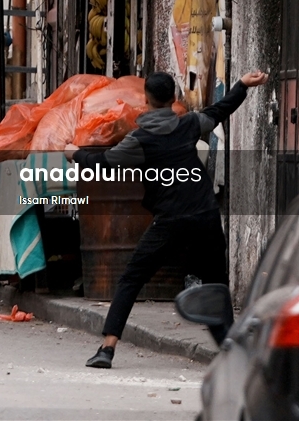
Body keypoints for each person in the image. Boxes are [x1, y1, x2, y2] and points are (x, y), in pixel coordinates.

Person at [64, 69, 269, 369]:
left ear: (146, 101)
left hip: (170, 221)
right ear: (174, 99)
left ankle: (107, 348)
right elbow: (220, 110)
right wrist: (241, 85)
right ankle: (230, 348)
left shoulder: (140, 139)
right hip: (205, 214)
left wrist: (75, 154)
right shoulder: (188, 125)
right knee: (216, 283)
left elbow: (103, 163)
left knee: (132, 279)